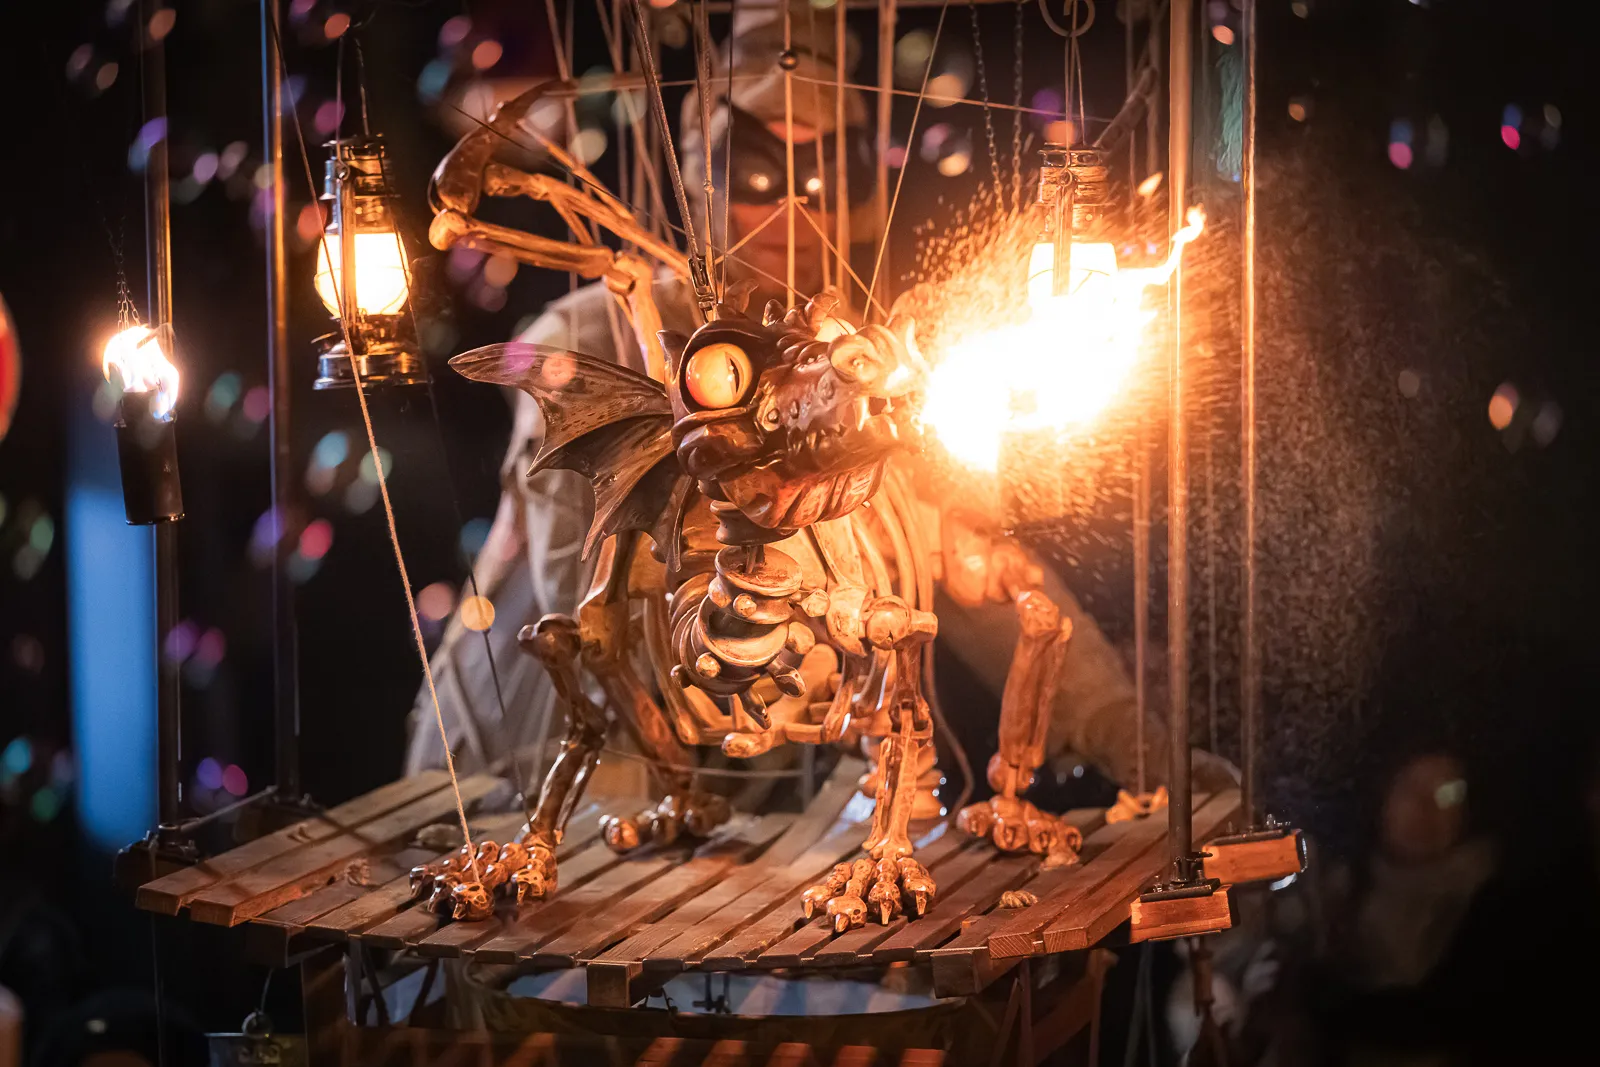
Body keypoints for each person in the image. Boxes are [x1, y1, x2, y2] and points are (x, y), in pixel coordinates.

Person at [405, 0, 1235, 810]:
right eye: (757, 172)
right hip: (540, 761)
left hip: (776, 780)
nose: (790, 206)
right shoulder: (590, 334)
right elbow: (585, 596)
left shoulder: (862, 369)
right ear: (705, 170)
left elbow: (978, 561)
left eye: (821, 173)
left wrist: (1129, 737)